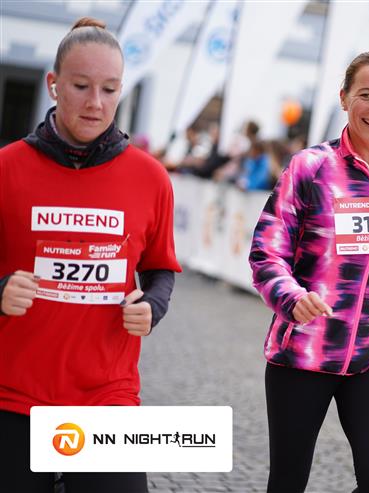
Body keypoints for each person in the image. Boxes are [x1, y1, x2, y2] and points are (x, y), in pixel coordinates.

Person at [0, 17, 181, 493]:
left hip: (105, 396)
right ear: (54, 84)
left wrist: (152, 305)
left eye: (109, 89)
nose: (95, 102)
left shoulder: (150, 178)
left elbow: (160, 268)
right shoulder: (7, 168)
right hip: (12, 393)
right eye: (81, 86)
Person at [249, 50, 369, 493]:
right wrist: (292, 297)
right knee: (287, 483)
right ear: (344, 98)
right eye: (366, 95)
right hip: (305, 351)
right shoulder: (310, 167)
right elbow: (266, 251)